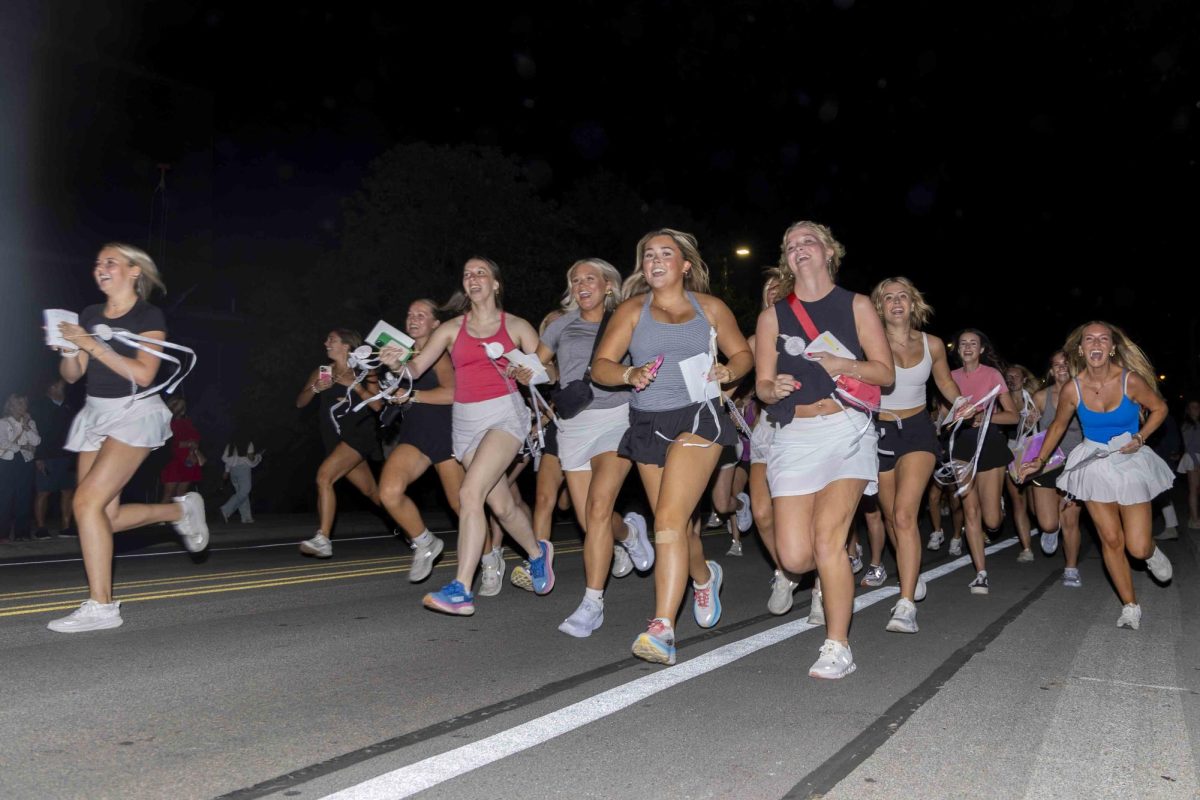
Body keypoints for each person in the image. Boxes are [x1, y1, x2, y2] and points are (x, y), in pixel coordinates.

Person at [592, 229, 752, 665]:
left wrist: (728, 370)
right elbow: (601, 367)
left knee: (666, 519)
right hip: (649, 423)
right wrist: (628, 375)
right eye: (649, 255)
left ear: (685, 265)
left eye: (667, 253)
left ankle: (661, 627)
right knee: (676, 529)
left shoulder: (711, 308)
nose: (656, 260)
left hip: (699, 418)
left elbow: (743, 356)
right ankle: (704, 577)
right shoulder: (631, 310)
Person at [755, 221, 894, 678]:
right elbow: (760, 385)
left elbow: (884, 373)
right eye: (791, 245)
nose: (799, 249)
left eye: (807, 241)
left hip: (846, 429)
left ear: (829, 251)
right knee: (795, 557)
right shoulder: (774, 315)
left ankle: (837, 646)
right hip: (795, 433)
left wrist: (842, 363)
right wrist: (772, 388)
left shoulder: (856, 305)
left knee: (826, 540)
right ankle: (833, 575)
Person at [380, 256, 554, 615]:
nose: (473, 278)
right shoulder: (450, 329)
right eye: (467, 274)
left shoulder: (517, 326)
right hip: (466, 421)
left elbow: (549, 369)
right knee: (501, 505)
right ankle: (538, 555)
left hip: (505, 413)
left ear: (495, 284)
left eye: (481, 273)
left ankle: (461, 587)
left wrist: (531, 373)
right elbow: (414, 368)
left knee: (469, 492)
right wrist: (397, 364)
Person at [48, 243, 208, 632]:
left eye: (110, 263)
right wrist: (68, 349)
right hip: (95, 413)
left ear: (134, 271)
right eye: (97, 263)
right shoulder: (88, 314)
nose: (100, 268)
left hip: (135, 412)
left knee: (86, 503)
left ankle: (102, 607)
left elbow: (143, 374)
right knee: (103, 514)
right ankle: (179, 511)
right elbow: (72, 375)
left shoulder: (147, 314)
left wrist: (89, 343)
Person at [515, 258, 652, 637]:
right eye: (575, 280)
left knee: (596, 509)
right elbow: (536, 366)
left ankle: (592, 603)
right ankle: (628, 533)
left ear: (608, 285)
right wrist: (523, 372)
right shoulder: (561, 325)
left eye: (590, 278)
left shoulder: (626, 318)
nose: (581, 285)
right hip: (573, 425)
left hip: (617, 416)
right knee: (595, 519)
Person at [1019, 321, 1174, 630]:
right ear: (1082, 349)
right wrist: (1038, 460)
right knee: (1111, 538)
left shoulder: (1130, 381)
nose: (1096, 343)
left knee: (1137, 547)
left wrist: (1141, 437)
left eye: (1103, 339)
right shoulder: (1072, 388)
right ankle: (1130, 605)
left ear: (1112, 348)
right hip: (1093, 462)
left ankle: (1152, 552)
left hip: (1129, 460)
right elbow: (1059, 426)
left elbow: (1160, 409)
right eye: (1090, 339)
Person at [869, 277, 964, 632]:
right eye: (888, 297)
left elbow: (945, 383)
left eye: (903, 296)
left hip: (918, 431)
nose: (896, 302)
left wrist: (961, 401)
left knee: (906, 515)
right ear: (879, 306)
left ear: (913, 304)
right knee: (892, 516)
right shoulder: (869, 342)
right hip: (877, 432)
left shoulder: (933, 343)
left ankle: (905, 603)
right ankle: (912, 570)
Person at [377, 299, 465, 583]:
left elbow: (452, 393)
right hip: (415, 434)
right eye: (409, 314)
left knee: (462, 508)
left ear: (436, 324)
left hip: (447, 433)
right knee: (389, 492)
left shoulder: (437, 353)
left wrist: (411, 395)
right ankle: (425, 543)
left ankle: (489, 559)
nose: (413, 319)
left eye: (421, 315)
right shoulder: (402, 354)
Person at [295, 329, 384, 558]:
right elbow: (300, 403)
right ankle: (411, 530)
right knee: (372, 492)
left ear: (346, 346)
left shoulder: (364, 369)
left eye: (331, 339)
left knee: (324, 477)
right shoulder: (324, 372)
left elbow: (378, 406)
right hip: (335, 439)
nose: (326, 342)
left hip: (359, 435)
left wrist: (354, 385)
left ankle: (323, 538)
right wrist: (315, 389)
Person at [946, 329, 1021, 595]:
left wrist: (982, 417)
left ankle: (997, 507)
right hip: (961, 447)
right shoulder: (950, 378)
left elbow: (1012, 416)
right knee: (970, 511)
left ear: (980, 350)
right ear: (958, 350)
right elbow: (944, 417)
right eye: (963, 343)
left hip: (989, 443)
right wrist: (950, 420)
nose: (967, 347)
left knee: (992, 520)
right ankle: (981, 573)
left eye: (973, 343)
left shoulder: (992, 375)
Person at [1028, 350, 1085, 586]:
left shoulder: (1084, 394)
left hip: (1075, 463)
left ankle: (1071, 568)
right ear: (1051, 370)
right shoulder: (1041, 396)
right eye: (1056, 365)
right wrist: (1028, 418)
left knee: (1070, 520)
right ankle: (1051, 531)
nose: (1061, 368)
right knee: (1048, 523)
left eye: (1066, 364)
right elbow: (1028, 427)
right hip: (1047, 462)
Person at [1001, 363, 1041, 562]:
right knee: (1017, 501)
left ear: (1024, 379)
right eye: (1008, 375)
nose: (1011, 379)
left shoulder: (1034, 399)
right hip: (1011, 451)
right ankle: (1026, 549)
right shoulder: (1001, 400)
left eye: (1015, 376)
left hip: (1032, 451)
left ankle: (1048, 528)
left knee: (1036, 506)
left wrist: (1037, 418)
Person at [31, 378, 76, 538]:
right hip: (48, 456)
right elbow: (37, 433)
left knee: (68, 491)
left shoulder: (69, 406)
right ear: (51, 388)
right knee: (43, 492)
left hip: (68, 455)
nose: (62, 387)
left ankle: (66, 526)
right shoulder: (40, 406)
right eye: (58, 385)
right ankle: (41, 528)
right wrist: (39, 457)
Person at [0, 393, 40, 541]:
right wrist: (22, 445)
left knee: (24, 497)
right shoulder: (3, 422)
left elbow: (36, 441)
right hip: (8, 462)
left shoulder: (30, 422)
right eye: (18, 404)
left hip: (26, 461)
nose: (22, 407)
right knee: (5, 497)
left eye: (24, 403)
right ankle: (2, 533)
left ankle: (22, 533)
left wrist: (26, 427)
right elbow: (2, 444)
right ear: (10, 406)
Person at [159, 395, 203, 503]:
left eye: (184, 406)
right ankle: (161, 519)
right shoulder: (167, 423)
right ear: (173, 406)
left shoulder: (187, 422)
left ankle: (179, 519)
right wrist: (188, 443)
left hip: (189, 459)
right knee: (168, 494)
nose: (183, 408)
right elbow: (169, 443)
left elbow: (196, 438)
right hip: (173, 460)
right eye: (180, 405)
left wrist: (193, 447)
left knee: (182, 494)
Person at [220, 435, 262, 523]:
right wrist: (258, 457)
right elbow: (251, 459)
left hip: (233, 471)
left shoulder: (230, 443)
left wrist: (227, 471)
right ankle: (226, 509)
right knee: (244, 491)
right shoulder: (248, 442)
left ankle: (246, 517)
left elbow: (226, 458)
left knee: (242, 494)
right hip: (243, 469)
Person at [1179, 399, 1200, 529]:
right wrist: (1196, 463)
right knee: (1193, 489)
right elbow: (1188, 445)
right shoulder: (1187, 424)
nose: (1196, 409)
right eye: (1193, 407)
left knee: (1197, 490)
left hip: (1198, 456)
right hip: (1192, 457)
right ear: (1188, 409)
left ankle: (1194, 517)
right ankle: (1194, 519)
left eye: (1198, 407)